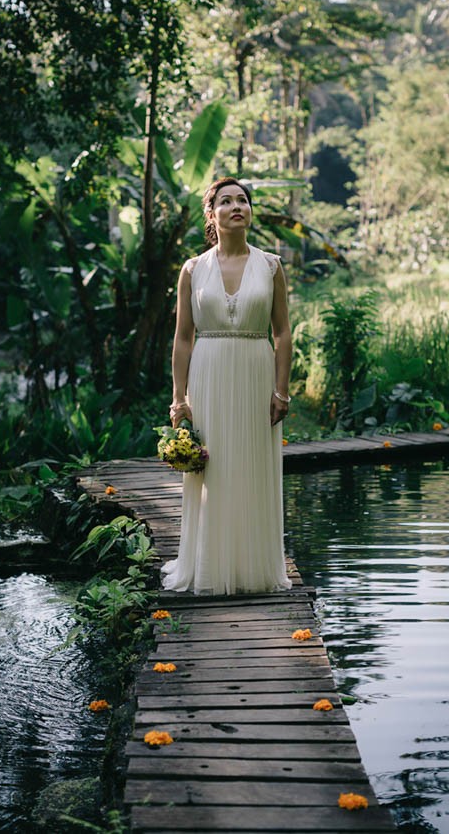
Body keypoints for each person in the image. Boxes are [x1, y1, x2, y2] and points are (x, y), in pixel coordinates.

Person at [161, 177, 293, 595]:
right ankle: (209, 567)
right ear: (212, 214)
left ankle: (253, 569)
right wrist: (178, 398)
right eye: (226, 201)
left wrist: (281, 390)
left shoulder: (271, 265)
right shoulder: (193, 269)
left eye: (243, 200)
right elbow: (183, 337)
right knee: (213, 469)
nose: (236, 206)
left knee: (253, 464)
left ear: (249, 212)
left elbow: (284, 334)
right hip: (209, 370)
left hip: (256, 371)